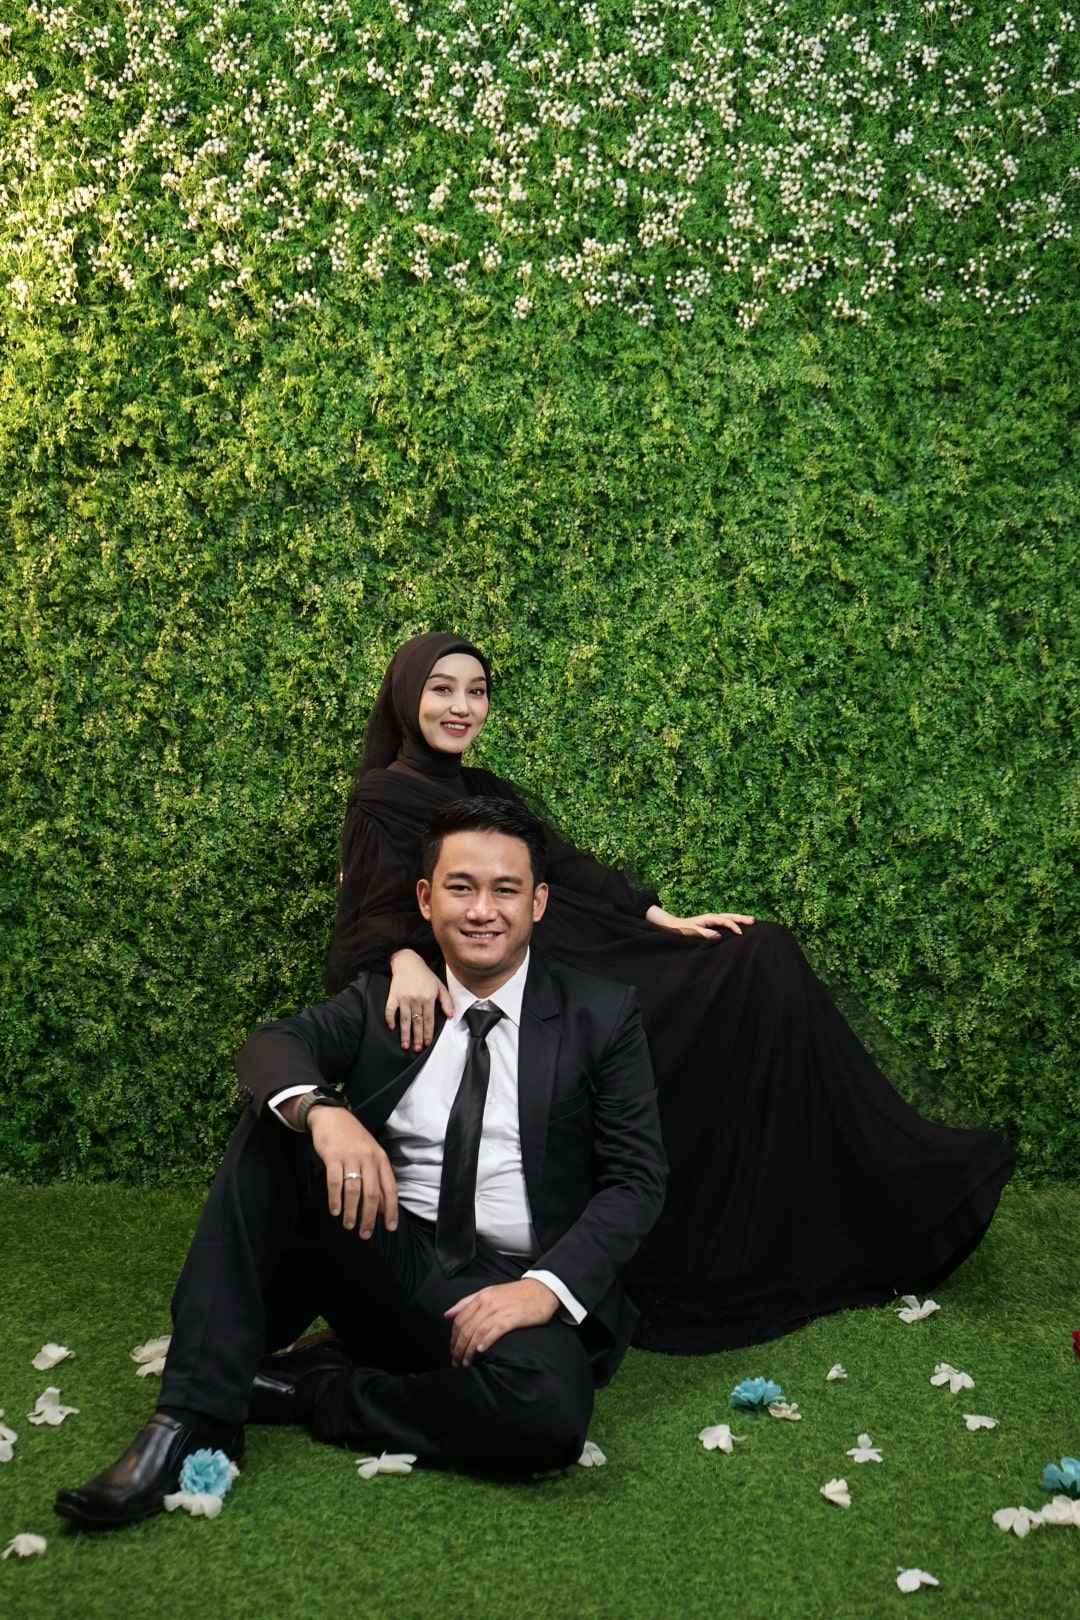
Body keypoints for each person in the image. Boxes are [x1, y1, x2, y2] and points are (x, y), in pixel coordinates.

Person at [326, 631, 1015, 1354]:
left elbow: (566, 864)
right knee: (699, 996)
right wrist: (404, 958)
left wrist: (659, 917)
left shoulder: (487, 789)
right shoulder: (382, 797)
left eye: (477, 691)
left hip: (577, 941)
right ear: (407, 697)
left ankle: (846, 1186)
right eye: (442, 690)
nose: (461, 707)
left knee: (759, 955)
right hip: (528, 973)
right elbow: (366, 913)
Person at [54, 799, 667, 1528]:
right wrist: (325, 1112)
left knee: (550, 1412)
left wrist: (543, 1288)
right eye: (461, 887)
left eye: (505, 890)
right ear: (426, 899)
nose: (482, 911)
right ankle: (191, 1417)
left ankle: (307, 1391)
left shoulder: (601, 1014)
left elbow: (636, 1180)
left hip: (510, 1285)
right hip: (387, 1255)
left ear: (537, 902)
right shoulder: (389, 999)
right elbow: (271, 1046)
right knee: (277, 1122)